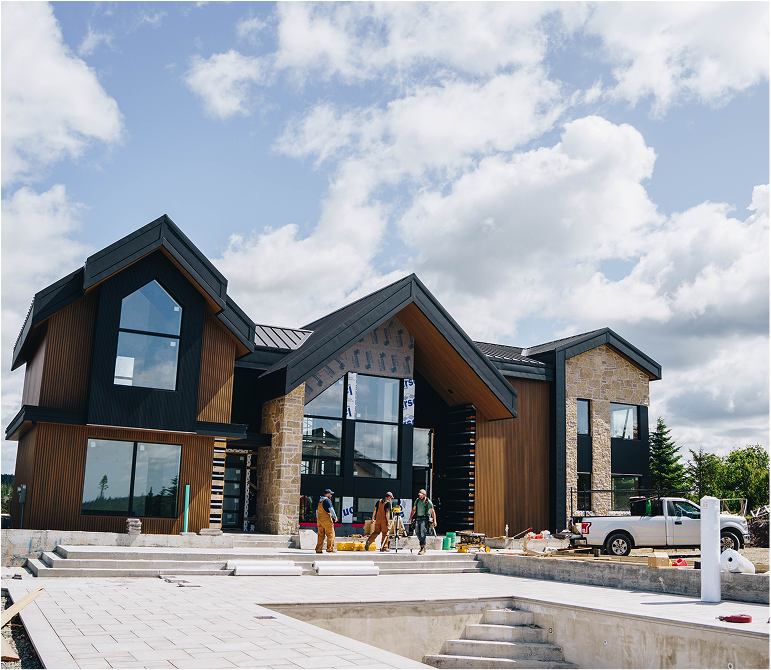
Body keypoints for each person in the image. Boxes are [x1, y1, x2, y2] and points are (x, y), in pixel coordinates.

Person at [408, 488, 436, 555]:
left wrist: (435, 521)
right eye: (419, 495)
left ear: (424, 495)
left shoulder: (428, 502)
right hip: (417, 518)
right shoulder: (417, 501)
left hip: (424, 519)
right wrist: (410, 517)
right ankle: (424, 544)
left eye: (421, 495)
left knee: (423, 533)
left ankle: (423, 547)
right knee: (417, 532)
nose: (420, 496)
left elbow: (432, 511)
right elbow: (413, 510)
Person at [315, 489, 338, 553]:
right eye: (330, 494)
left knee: (320, 535)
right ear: (327, 494)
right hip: (326, 520)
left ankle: (318, 549)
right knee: (331, 534)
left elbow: (317, 511)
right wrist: (335, 517)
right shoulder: (327, 500)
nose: (331, 495)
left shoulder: (319, 501)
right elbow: (331, 509)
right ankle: (330, 549)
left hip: (319, 520)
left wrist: (318, 518)